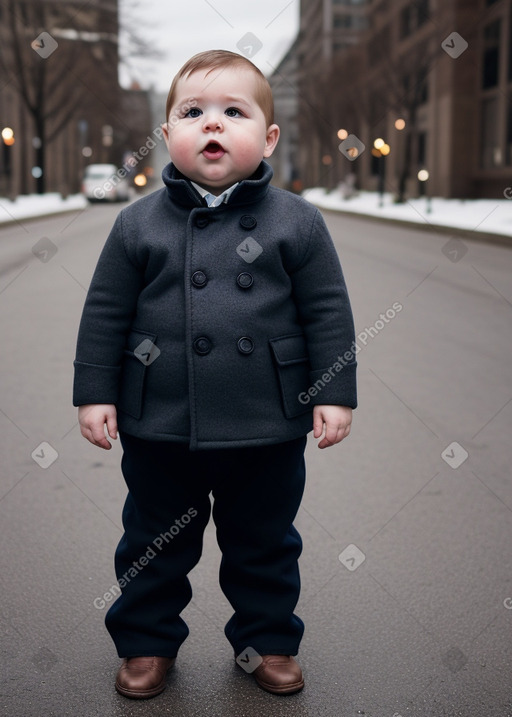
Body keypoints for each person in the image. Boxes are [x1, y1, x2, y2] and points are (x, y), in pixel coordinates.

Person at [73, 49, 357, 700]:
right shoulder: (137, 221)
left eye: (235, 111)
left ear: (268, 136)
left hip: (268, 422)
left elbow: (327, 311)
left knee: (264, 543)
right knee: (151, 542)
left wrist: (335, 391)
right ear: (167, 132)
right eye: (192, 112)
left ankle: (268, 641)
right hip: (160, 421)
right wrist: (95, 392)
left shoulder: (298, 221)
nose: (212, 124)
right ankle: (146, 643)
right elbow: (105, 313)